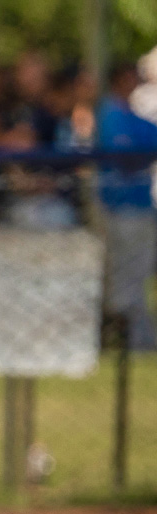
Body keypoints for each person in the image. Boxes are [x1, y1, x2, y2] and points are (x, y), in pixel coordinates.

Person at [94, 63, 157, 350]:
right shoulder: (109, 114)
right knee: (124, 276)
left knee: (134, 275)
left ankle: (134, 339)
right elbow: (124, 151)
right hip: (121, 208)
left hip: (137, 206)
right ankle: (125, 339)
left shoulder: (129, 115)